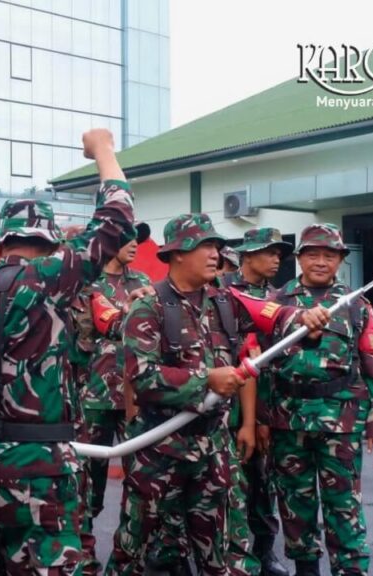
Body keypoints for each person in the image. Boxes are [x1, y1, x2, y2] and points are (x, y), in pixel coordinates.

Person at [0, 128, 134, 574]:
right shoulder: (46, 279)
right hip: (36, 467)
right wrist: (103, 150)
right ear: (51, 245)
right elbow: (118, 218)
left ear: (0, 242)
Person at [106, 213, 327, 576]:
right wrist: (206, 379)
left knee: (228, 557)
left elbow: (273, 318)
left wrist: (304, 321)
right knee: (141, 553)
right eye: (205, 245)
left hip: (214, 453)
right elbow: (142, 377)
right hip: (159, 455)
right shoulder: (148, 307)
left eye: (217, 246)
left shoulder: (225, 301)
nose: (215, 253)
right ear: (177, 253)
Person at [267, 224, 373, 576]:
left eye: (329, 255)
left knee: (344, 503)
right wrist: (259, 421)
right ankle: (306, 567)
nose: (321, 262)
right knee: (295, 501)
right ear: (299, 259)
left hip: (341, 419)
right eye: (313, 254)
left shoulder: (356, 304)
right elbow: (261, 365)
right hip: (287, 419)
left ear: (340, 259)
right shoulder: (276, 303)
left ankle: (350, 568)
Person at [219, 228, 293, 576]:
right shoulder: (221, 289)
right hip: (229, 402)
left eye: (279, 252)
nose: (277, 258)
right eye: (269, 251)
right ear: (247, 255)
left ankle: (264, 552)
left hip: (269, 403)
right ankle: (224, 552)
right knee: (226, 483)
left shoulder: (282, 298)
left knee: (263, 484)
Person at [75, 221, 152, 545]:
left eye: (138, 238)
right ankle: (83, 552)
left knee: (141, 481)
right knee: (87, 485)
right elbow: (81, 336)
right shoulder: (86, 283)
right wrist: (125, 309)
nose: (135, 243)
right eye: (127, 237)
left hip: (134, 396)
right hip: (94, 397)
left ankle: (128, 557)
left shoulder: (143, 281)